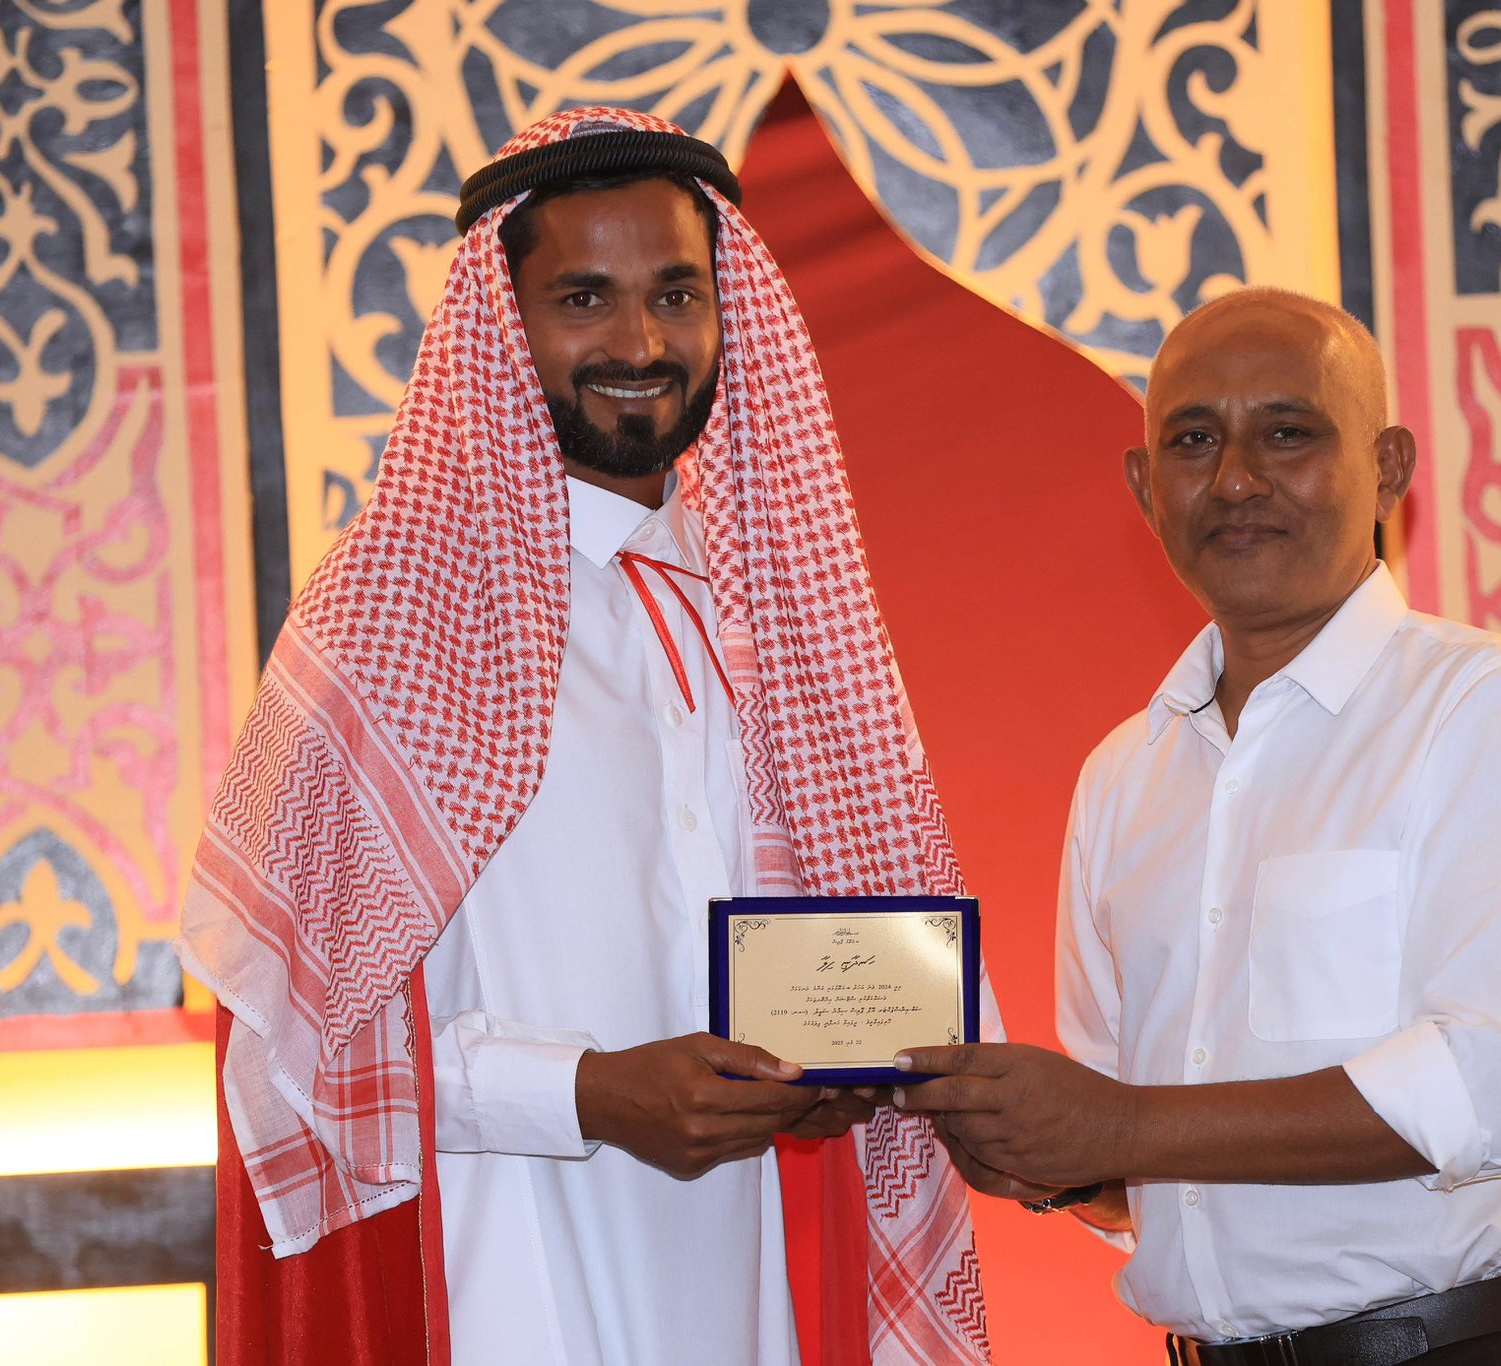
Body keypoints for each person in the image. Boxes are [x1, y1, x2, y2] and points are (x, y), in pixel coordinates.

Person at [181, 110, 991, 1366]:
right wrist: (586, 1092)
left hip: (753, 1275)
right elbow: (305, 1044)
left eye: (676, 293)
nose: (640, 342)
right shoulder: (387, 625)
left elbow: (862, 947)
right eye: (582, 298)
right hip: (499, 1271)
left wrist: (849, 1069)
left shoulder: (780, 615)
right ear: (504, 324)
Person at [895, 288, 1501, 1365]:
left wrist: (1116, 1126)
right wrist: (1040, 1155)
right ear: (1144, 487)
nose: (1236, 479)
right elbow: (1129, 1161)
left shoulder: (1493, 710)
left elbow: (1481, 1090)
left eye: (1288, 433)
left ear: (1387, 468)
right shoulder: (1124, 777)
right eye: (1193, 441)